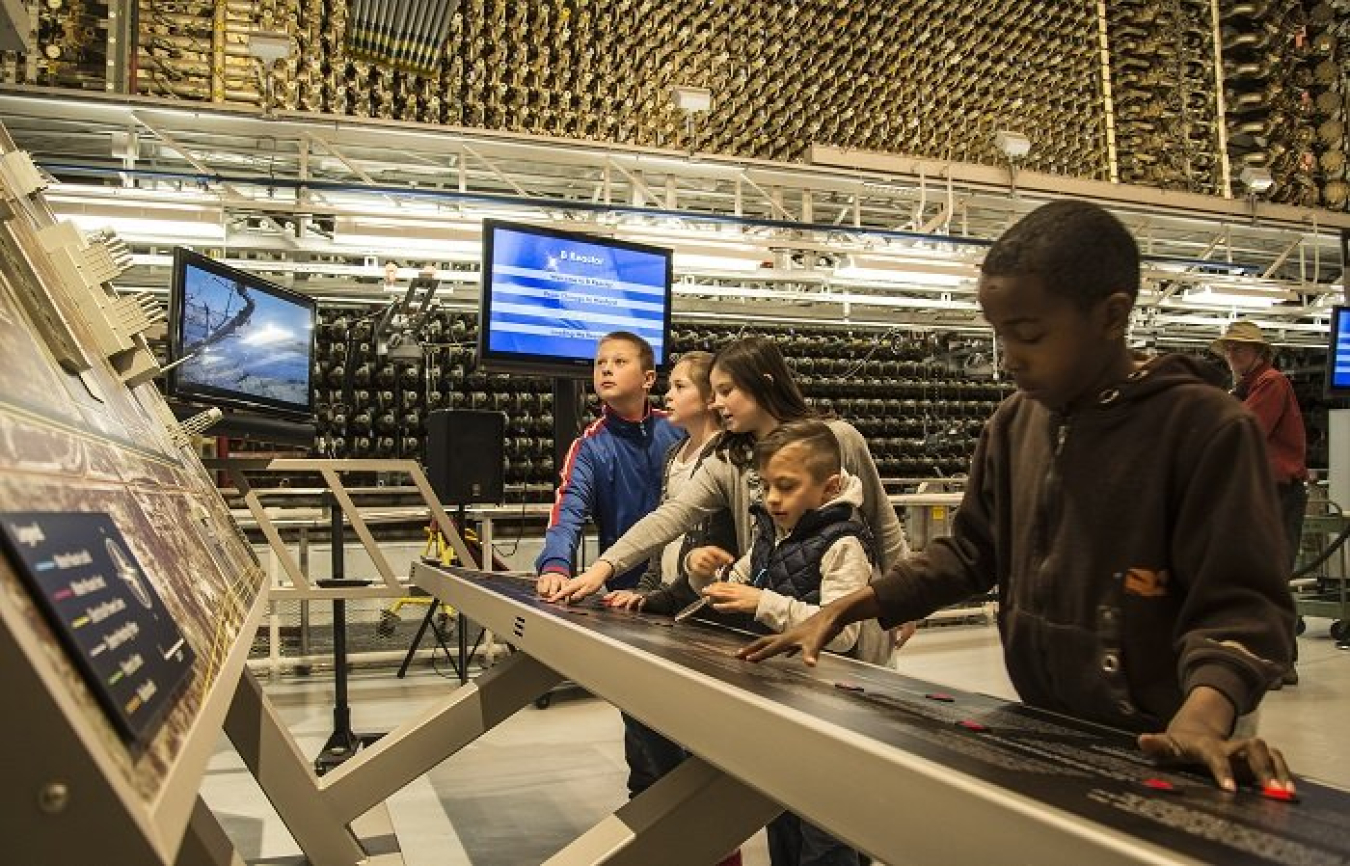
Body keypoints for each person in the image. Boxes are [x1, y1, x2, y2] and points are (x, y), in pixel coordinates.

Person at [740, 199, 1298, 796]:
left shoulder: (1205, 429)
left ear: (1112, 316)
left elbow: (1240, 606)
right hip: (1052, 724)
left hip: (1180, 737)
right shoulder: (1015, 425)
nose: (1008, 358)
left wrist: (1203, 716)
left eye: (1028, 334)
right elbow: (972, 552)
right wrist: (844, 608)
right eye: (999, 334)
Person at [543, 336, 910, 609]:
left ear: (763, 382)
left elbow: (883, 523)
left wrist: (904, 599)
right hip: (771, 618)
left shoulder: (839, 439)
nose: (715, 403)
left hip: (848, 614)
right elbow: (672, 516)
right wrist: (603, 568)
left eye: (725, 391)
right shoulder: (728, 459)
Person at [685, 418, 884, 866]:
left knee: (824, 834)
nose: (772, 498)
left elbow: (844, 631)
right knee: (781, 819)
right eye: (767, 485)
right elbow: (736, 584)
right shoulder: (772, 530)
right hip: (781, 703)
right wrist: (702, 572)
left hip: (829, 711)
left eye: (787, 486)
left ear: (829, 487)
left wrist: (762, 602)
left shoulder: (844, 543)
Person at [533, 331, 683, 595]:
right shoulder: (589, 448)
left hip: (688, 585)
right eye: (600, 363)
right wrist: (555, 563)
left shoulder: (679, 430)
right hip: (628, 592)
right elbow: (568, 511)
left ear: (648, 379)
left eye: (619, 362)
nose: (606, 370)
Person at [1212, 320, 1307, 687]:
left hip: (1279, 494)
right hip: (1264, 493)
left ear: (1259, 353)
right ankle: (1276, 659)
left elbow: (1245, 428)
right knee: (1264, 577)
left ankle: (1282, 661)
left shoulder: (1270, 383)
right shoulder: (1246, 387)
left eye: (1240, 348)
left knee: (1274, 576)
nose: (1233, 355)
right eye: (1230, 349)